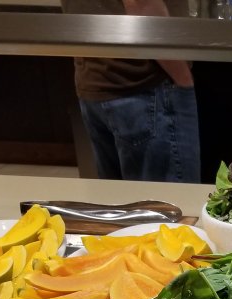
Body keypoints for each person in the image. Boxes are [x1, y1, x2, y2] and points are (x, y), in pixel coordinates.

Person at [60, 0, 201, 183]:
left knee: (117, 198)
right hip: (146, 83)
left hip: (94, 77)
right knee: (168, 198)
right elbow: (142, 3)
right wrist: (183, 77)